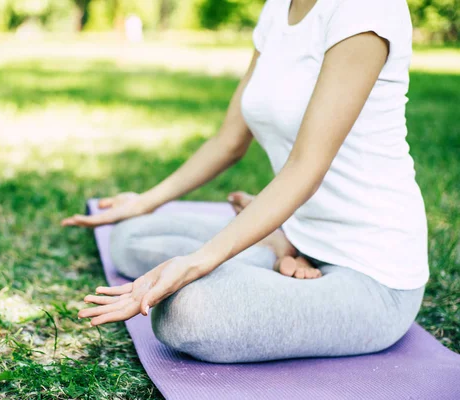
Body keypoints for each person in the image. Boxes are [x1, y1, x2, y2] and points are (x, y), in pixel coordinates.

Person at [62, 0, 429, 363]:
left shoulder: (365, 9)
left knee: (186, 311)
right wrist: (145, 201)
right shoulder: (277, 9)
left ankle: (271, 248)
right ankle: (279, 248)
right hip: (297, 231)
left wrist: (196, 263)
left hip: (372, 272)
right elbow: (228, 141)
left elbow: (306, 167)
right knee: (130, 236)